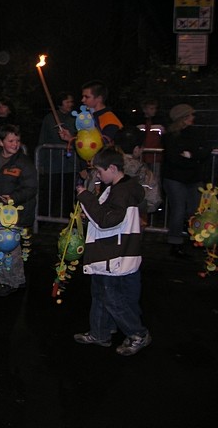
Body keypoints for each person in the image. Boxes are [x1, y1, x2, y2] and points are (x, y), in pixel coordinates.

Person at [74, 146, 151, 356]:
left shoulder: (121, 190)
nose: (98, 175)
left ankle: (138, 333)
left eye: (100, 171)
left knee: (111, 297)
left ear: (112, 168)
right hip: (111, 252)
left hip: (114, 253)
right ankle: (100, 332)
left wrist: (86, 198)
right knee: (100, 293)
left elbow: (108, 220)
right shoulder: (120, 188)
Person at [0, 124, 37, 297]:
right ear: (0, 142)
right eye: (11, 140)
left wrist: (13, 198)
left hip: (15, 213)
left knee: (6, 245)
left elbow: (31, 187)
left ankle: (7, 282)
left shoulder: (24, 163)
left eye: (18, 140)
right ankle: (17, 279)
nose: (15, 144)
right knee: (11, 248)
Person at [161, 103, 212, 258]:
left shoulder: (195, 133)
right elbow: (174, 157)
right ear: (183, 118)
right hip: (177, 178)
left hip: (190, 178)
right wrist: (194, 158)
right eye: (190, 115)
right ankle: (176, 242)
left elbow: (205, 150)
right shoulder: (170, 137)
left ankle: (196, 239)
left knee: (195, 210)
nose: (193, 118)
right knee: (179, 210)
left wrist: (191, 156)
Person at [36, 91, 80, 217]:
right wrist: (41, 163)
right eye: (67, 101)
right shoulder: (50, 119)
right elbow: (43, 139)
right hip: (53, 163)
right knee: (51, 193)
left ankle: (69, 220)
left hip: (71, 164)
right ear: (60, 104)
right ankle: (44, 219)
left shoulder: (75, 118)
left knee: (69, 194)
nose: (70, 104)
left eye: (71, 101)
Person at [114, 126, 162, 226]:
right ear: (136, 149)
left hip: (107, 216)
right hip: (135, 219)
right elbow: (154, 199)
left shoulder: (106, 164)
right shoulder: (143, 171)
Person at [135, 97, 166, 178]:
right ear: (145, 110)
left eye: (155, 108)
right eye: (151, 108)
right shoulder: (137, 122)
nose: (154, 110)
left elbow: (164, 137)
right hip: (141, 155)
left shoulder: (160, 123)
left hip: (156, 155)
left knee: (155, 178)